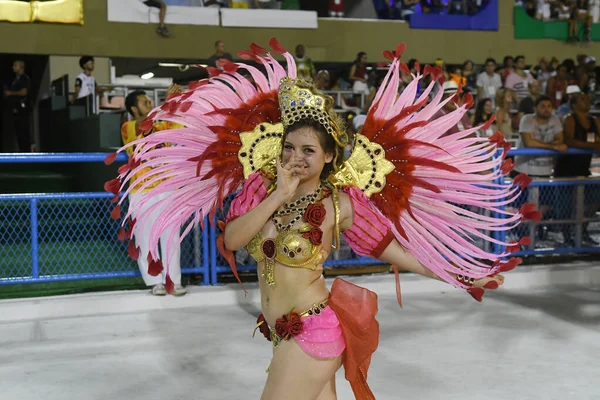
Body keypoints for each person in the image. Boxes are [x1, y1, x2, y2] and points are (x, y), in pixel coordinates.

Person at [107, 39, 533, 399]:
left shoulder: (340, 204)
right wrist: (278, 194)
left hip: (313, 331)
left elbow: (399, 254)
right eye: (289, 148)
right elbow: (235, 240)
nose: (294, 158)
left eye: (308, 151)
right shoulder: (261, 187)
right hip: (280, 332)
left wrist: (462, 277)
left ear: (328, 156)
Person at [119, 87, 186, 296]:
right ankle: (155, 281)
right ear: (133, 108)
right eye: (143, 101)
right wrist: (164, 105)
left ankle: (173, 281)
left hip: (167, 187)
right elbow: (143, 126)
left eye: (149, 100)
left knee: (171, 236)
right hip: (142, 189)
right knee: (146, 237)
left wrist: (176, 101)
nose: (149, 102)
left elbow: (181, 123)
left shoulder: (163, 122)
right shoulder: (128, 126)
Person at [554, 91, 600, 245]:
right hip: (566, 168)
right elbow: (570, 141)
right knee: (566, 206)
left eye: (586, 98)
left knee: (594, 200)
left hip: (583, 168)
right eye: (582, 99)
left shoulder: (594, 121)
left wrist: (591, 145)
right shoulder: (569, 119)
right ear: (573, 104)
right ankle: (567, 237)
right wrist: (594, 145)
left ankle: (582, 231)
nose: (586, 101)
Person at [3, 60, 31, 152]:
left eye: (15, 66)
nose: (13, 67)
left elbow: (24, 92)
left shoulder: (24, 78)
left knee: (23, 130)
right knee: (18, 131)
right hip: (15, 108)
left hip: (22, 108)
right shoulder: (15, 80)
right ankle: (22, 151)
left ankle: (26, 152)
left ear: (21, 67)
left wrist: (11, 93)